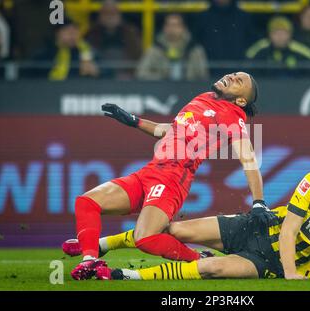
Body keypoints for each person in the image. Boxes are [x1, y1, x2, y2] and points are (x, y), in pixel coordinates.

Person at [70, 72, 268, 281]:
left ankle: (198, 258)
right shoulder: (204, 97)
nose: (231, 76)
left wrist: (259, 202)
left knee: (144, 238)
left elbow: (249, 160)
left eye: (239, 81)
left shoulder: (232, 115)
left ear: (241, 100)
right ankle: (89, 261)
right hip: (149, 171)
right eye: (234, 74)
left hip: (173, 179)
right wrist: (134, 121)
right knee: (86, 202)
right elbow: (170, 130)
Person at [66, 153, 310, 281]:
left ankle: (120, 275)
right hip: (258, 227)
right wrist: (293, 273)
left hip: (266, 262)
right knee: (172, 229)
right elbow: (289, 230)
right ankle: (102, 244)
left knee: (210, 267)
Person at [136, 13, 208, 81]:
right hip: (161, 91)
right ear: (164, 27)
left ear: (183, 28)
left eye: (176, 25)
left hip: (190, 91)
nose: (172, 29)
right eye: (168, 25)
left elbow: (203, 76)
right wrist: (162, 79)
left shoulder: (195, 50)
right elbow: (141, 74)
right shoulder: (154, 50)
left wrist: (187, 81)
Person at [86, 0, 142, 79]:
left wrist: (130, 72)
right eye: (106, 13)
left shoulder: (131, 32)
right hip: (99, 77)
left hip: (126, 77)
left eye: (113, 13)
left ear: (119, 14)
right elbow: (87, 56)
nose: (110, 17)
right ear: (100, 15)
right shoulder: (92, 33)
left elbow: (137, 56)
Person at [246, 16, 310, 77]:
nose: (280, 37)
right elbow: (246, 67)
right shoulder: (260, 49)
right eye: (276, 33)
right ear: (269, 34)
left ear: (290, 34)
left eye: (283, 33)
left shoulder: (300, 51)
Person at [33, 19, 99, 80]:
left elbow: (107, 74)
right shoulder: (45, 54)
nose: (72, 34)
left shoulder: (90, 52)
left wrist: (96, 72)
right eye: (68, 31)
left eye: (75, 30)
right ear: (57, 33)